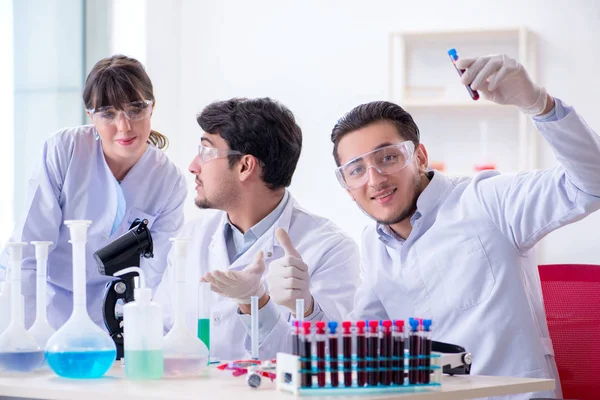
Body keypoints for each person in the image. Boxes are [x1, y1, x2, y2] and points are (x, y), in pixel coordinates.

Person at [331, 54, 600, 399]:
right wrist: (290, 305)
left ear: (420, 157)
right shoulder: (374, 243)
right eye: (356, 170)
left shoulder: (487, 200)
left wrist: (538, 104)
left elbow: (591, 184)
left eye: (388, 158)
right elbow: (361, 346)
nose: (375, 179)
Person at [154, 97, 360, 360]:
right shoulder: (191, 237)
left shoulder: (330, 249)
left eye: (206, 152)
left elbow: (327, 358)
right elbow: (160, 333)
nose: (193, 166)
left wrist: (261, 303)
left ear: (245, 166)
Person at [0, 55, 187, 330]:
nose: (124, 126)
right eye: (108, 113)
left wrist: (132, 338)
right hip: (44, 307)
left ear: (151, 107)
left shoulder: (168, 181)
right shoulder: (65, 150)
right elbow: (30, 252)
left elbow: (152, 277)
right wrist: (21, 336)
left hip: (115, 317)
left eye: (135, 109)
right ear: (91, 115)